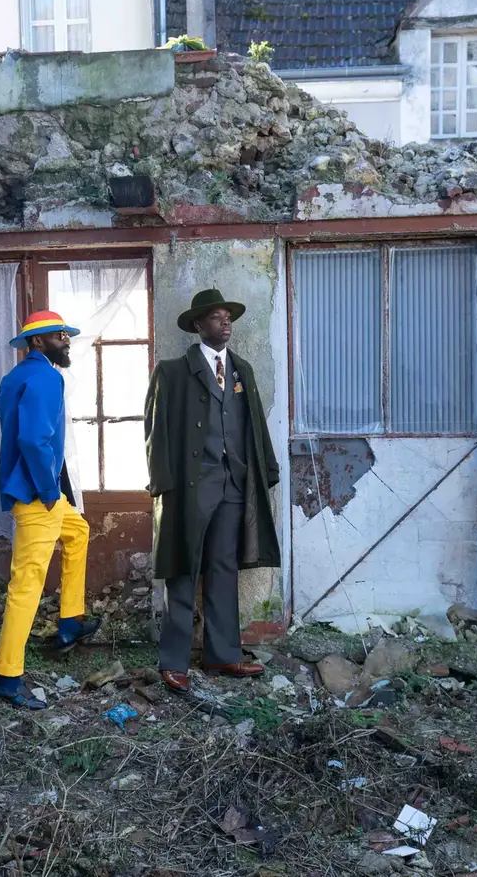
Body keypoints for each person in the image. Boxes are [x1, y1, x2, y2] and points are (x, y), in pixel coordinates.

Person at [144, 289, 281, 693]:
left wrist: (265, 471)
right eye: (217, 317)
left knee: (223, 569)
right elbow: (155, 432)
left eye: (228, 317)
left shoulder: (243, 370)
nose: (226, 322)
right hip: (190, 486)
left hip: (234, 483)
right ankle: (173, 661)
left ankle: (223, 654)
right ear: (198, 326)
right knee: (183, 570)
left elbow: (254, 425)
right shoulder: (171, 372)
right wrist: (162, 484)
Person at [0, 310, 102, 709]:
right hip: (39, 497)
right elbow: (36, 439)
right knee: (25, 588)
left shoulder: (15, 378)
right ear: (38, 342)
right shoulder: (47, 377)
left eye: (66, 335)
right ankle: (7, 677)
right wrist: (48, 491)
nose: (66, 340)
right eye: (59, 336)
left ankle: (70, 622)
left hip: (43, 494)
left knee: (78, 532)